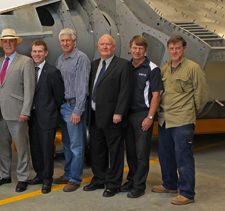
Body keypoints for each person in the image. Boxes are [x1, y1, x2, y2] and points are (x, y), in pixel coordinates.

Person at [154, 35, 209, 205]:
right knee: (165, 155)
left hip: (182, 121)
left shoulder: (193, 68)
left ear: (184, 49)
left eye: (178, 48)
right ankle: (170, 185)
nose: (174, 51)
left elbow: (202, 96)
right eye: (171, 48)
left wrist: (190, 112)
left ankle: (187, 193)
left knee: (183, 158)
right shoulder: (165, 69)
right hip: (165, 120)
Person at [83, 34, 133, 197]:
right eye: (102, 44)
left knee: (115, 151)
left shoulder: (123, 65)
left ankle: (113, 184)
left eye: (108, 44)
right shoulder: (94, 64)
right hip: (95, 116)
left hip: (113, 118)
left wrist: (119, 112)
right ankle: (99, 179)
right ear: (98, 46)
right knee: (97, 150)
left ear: (114, 47)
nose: (105, 47)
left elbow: (125, 91)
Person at [0, 28, 35, 192]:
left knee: (21, 146)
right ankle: (5, 175)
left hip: (17, 112)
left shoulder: (25, 61)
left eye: (11, 41)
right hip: (0, 112)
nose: (8, 44)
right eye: (5, 41)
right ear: (1, 44)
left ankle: (23, 177)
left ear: (15, 42)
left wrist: (26, 111)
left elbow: (30, 89)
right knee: (3, 146)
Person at [122, 36, 162, 198]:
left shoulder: (152, 68)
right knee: (130, 151)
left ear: (145, 50)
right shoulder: (127, 66)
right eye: (134, 48)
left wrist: (150, 117)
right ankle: (132, 179)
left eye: (140, 48)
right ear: (130, 48)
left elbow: (156, 95)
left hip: (143, 114)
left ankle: (139, 185)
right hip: (128, 114)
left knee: (141, 152)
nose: (137, 51)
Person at [53, 28, 90, 192]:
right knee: (67, 144)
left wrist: (78, 110)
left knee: (76, 145)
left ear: (74, 41)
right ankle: (68, 174)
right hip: (63, 105)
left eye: (68, 40)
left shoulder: (81, 58)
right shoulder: (60, 59)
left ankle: (75, 178)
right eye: (62, 41)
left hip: (74, 106)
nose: (65, 43)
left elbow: (83, 87)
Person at [27, 40, 64, 194]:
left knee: (47, 150)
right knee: (35, 148)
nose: (37, 54)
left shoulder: (52, 72)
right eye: (34, 51)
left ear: (46, 53)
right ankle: (39, 175)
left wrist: (50, 111)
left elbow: (59, 96)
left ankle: (47, 180)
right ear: (31, 53)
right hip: (32, 117)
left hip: (47, 118)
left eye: (40, 51)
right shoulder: (29, 70)